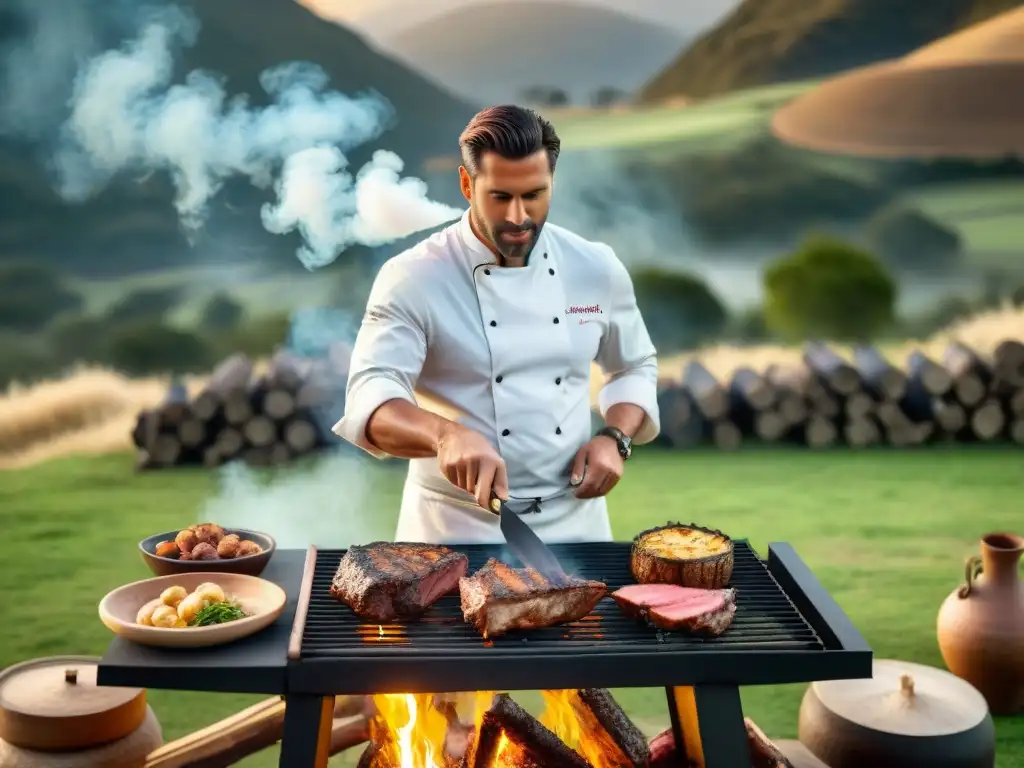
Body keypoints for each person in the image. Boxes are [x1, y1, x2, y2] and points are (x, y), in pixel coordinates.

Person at [333, 105, 660, 544]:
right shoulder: (413, 276)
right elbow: (372, 397)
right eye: (501, 197)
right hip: (453, 527)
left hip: (576, 523)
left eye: (535, 194)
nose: (519, 217)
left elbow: (634, 365)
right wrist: (444, 436)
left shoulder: (594, 267)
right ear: (467, 184)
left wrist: (615, 438)